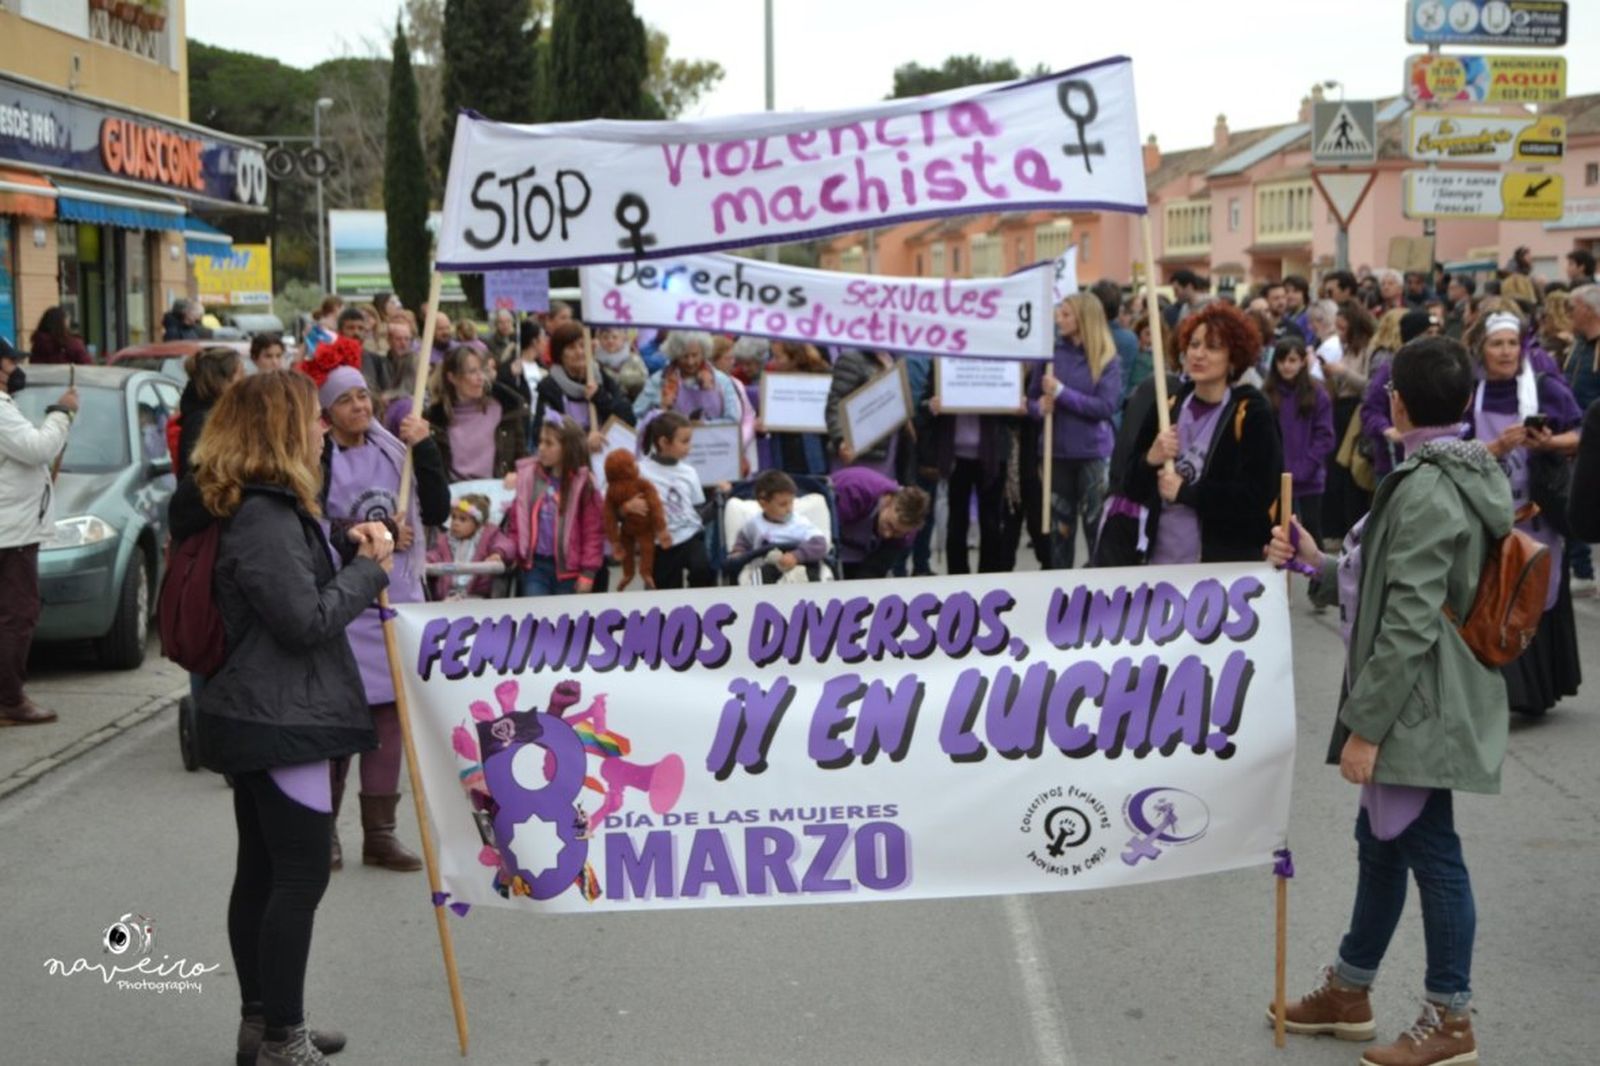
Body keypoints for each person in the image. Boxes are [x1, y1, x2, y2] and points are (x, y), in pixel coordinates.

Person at [1266, 335, 1508, 1066]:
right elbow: (1377, 578)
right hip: (1415, 696)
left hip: (1417, 703)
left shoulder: (1429, 487)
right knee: (1380, 844)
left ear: (1396, 403)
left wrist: (1366, 727)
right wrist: (1317, 561)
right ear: (1466, 402)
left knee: (1432, 853)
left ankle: (1451, 1017)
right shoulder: (1446, 471)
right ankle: (1350, 988)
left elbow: (1407, 618)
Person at [172, 370, 392, 1065]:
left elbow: (296, 572)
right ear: (281, 431)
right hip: (278, 715)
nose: (323, 428)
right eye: (311, 418)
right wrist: (370, 570)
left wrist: (346, 540)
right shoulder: (263, 517)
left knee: (264, 873)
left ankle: (264, 1025)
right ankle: (282, 1039)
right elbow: (304, 620)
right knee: (298, 876)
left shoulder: (256, 504)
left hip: (262, 708)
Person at [304, 340, 450, 872]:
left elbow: (437, 507)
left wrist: (426, 449)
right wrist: (381, 530)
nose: (360, 407)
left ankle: (380, 835)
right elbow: (314, 524)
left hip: (396, 599)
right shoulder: (319, 458)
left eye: (363, 396)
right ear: (327, 412)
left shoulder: (396, 450)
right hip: (345, 603)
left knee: (389, 720)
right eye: (346, 401)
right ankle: (323, 833)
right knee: (342, 723)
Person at [1464, 311, 1583, 717]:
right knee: (1492, 598)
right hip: (1487, 517)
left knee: (1536, 593)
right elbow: (1451, 445)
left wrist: (1549, 444)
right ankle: (1500, 690)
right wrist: (1495, 447)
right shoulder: (1470, 392)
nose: (1505, 352)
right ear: (1481, 349)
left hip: (1536, 516)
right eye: (1497, 344)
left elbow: (1580, 434)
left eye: (1512, 343)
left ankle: (1536, 691)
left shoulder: (1545, 387)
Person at [1124, 302, 1282, 564]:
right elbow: (1131, 487)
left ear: (1233, 357)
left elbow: (1257, 496)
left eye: (1213, 347)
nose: (1198, 354)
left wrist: (1186, 493)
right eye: (1194, 344)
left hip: (1223, 567)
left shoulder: (1251, 413)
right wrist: (1150, 459)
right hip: (1161, 562)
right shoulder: (1167, 406)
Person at [0, 342, 76, 726]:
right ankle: (9, 700)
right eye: (11, 361)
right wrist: (61, 413)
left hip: (11, 526)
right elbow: (37, 448)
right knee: (18, 615)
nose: (16, 368)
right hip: (10, 533)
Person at [1028, 291, 1122, 569]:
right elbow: (1032, 400)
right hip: (1055, 454)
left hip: (1093, 455)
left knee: (1096, 529)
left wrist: (1061, 393)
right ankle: (1062, 587)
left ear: (1084, 318)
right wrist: (1038, 408)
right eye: (1060, 313)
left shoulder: (1107, 359)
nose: (1059, 318)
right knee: (1060, 532)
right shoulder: (1050, 355)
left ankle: (1098, 587)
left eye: (1066, 314)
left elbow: (1105, 407)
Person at [501, 416, 605, 597]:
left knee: (564, 614)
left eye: (549, 443)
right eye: (540, 442)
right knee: (536, 612)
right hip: (535, 567)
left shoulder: (584, 484)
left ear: (568, 447)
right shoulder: (529, 478)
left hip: (570, 571)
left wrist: (588, 573)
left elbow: (593, 533)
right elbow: (517, 523)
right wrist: (513, 553)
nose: (541, 448)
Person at [1265, 334, 1335, 546]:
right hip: (1276, 478)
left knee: (1311, 530)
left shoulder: (1317, 394)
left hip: (1310, 478)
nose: (1286, 366)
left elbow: (1325, 436)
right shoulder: (1267, 394)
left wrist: (1307, 466)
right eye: (1281, 360)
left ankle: (1317, 568)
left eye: (1292, 360)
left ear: (1303, 362)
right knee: (1277, 532)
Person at [424, 345, 529, 482]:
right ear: (452, 377)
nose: (481, 377)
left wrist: (518, 475)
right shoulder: (435, 420)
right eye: (472, 371)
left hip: (497, 490)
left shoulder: (505, 410)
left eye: (482, 370)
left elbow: (521, 458)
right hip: (454, 492)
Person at [638, 411, 716, 590]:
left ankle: (698, 603)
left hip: (689, 535)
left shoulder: (689, 472)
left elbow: (697, 509)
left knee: (702, 569)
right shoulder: (640, 471)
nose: (689, 447)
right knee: (665, 589)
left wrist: (720, 497)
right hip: (660, 543)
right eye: (684, 441)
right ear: (664, 442)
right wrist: (629, 506)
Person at [535, 322, 636, 456]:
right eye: (571, 348)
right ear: (560, 354)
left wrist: (600, 397)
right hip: (569, 461)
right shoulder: (549, 387)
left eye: (583, 346)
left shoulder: (602, 379)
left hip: (603, 457)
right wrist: (583, 444)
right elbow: (542, 434)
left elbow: (629, 419)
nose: (579, 352)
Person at [1361, 310, 1438, 483]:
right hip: (1394, 463)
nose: (1434, 339)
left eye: (1436, 333)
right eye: (1428, 333)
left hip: (1434, 461)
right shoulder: (1390, 370)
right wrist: (1387, 430)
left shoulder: (1444, 370)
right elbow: (1370, 410)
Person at [729, 470, 829, 584]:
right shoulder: (754, 525)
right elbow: (743, 542)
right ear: (763, 504)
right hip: (768, 563)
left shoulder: (800, 523)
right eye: (783, 504)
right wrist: (738, 553)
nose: (789, 509)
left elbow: (820, 544)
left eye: (791, 503)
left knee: (811, 570)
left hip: (799, 561)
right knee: (758, 574)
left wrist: (797, 556)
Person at [832, 465, 929, 580]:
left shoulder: (908, 531)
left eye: (897, 533)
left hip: (861, 550)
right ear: (888, 500)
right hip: (829, 526)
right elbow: (825, 533)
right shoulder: (856, 492)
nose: (888, 535)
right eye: (889, 525)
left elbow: (876, 569)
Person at [635, 329, 744, 430]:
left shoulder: (721, 380)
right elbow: (637, 414)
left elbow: (734, 419)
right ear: (675, 354)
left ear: (703, 353)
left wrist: (706, 425)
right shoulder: (659, 380)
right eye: (684, 356)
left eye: (695, 355)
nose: (690, 362)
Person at [759, 341, 831, 476]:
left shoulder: (821, 379)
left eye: (778, 357)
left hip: (814, 455)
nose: (772, 363)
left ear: (794, 358)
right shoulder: (773, 383)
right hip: (783, 457)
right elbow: (765, 422)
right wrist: (761, 427)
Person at [174, 346, 244, 479]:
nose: (244, 381)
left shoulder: (220, 414)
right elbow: (198, 473)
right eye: (240, 374)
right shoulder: (202, 421)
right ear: (222, 381)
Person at [426, 495, 504, 600]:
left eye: (462, 519)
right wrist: (427, 560)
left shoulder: (488, 537)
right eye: (454, 517)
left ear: (478, 524)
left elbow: (504, 544)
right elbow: (435, 554)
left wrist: (497, 553)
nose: (455, 523)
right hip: (448, 594)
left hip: (477, 595)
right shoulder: (445, 541)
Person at [595, 325, 648, 399]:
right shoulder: (595, 362)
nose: (610, 341)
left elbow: (644, 380)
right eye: (605, 337)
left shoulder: (633, 358)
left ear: (623, 339)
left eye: (614, 337)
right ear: (599, 340)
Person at [1307, 299, 1343, 380]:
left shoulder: (1330, 346)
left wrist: (1310, 356)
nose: (1309, 327)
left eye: (1312, 322)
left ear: (1324, 320)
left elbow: (1316, 377)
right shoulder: (1333, 342)